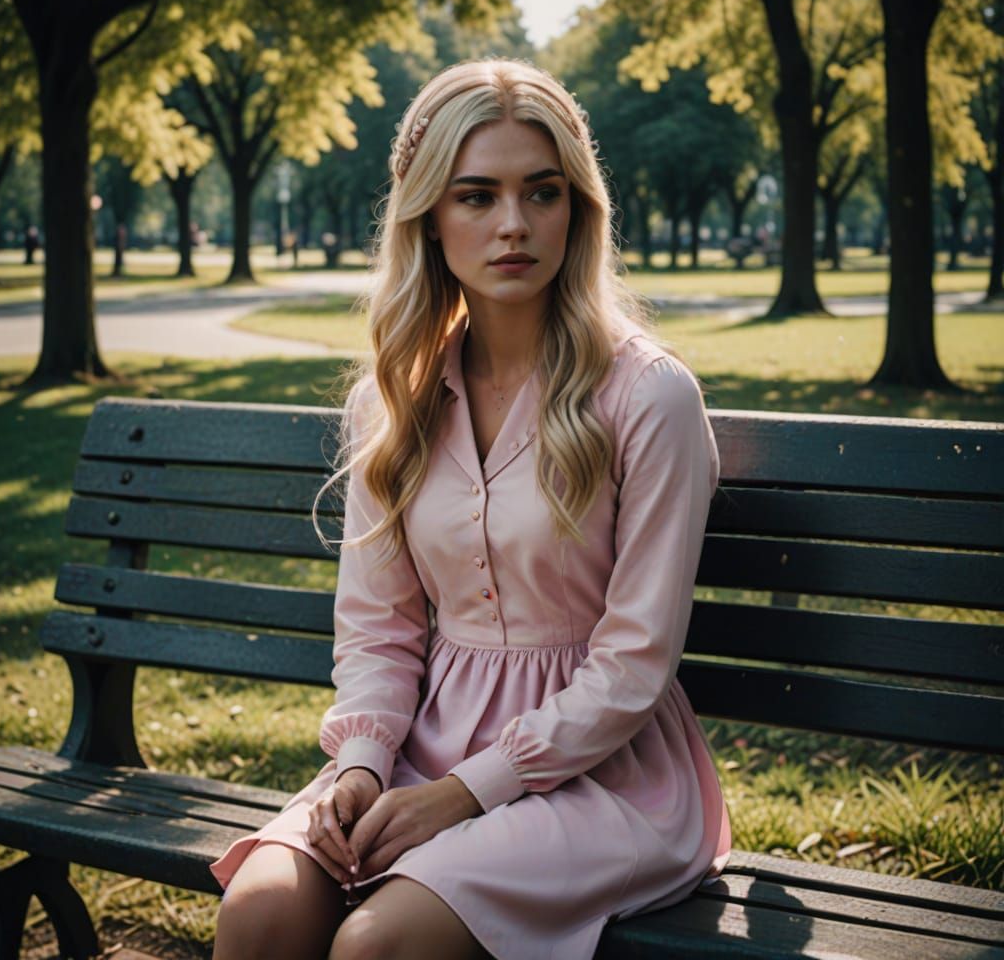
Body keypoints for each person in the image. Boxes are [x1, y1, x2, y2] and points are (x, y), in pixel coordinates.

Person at [210, 57, 731, 960]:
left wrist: (464, 795)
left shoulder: (649, 397)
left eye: (542, 192)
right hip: (423, 747)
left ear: (578, 209)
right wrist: (362, 764)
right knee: (261, 912)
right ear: (429, 217)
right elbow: (378, 629)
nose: (514, 224)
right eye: (477, 196)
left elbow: (633, 664)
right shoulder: (394, 400)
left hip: (604, 774)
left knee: (377, 945)